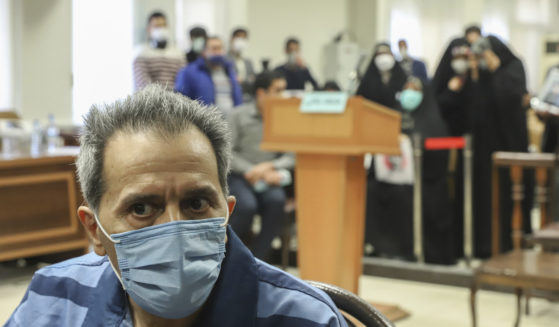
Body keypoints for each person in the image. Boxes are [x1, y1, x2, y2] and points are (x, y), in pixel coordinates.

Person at [4, 85, 347, 327]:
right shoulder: (52, 300)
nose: (174, 228)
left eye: (196, 203)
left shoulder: (305, 319)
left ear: (226, 212)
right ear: (94, 229)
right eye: (141, 208)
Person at [433, 35, 533, 258]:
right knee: (477, 197)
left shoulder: (513, 67)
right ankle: (476, 246)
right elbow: (468, 108)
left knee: (501, 200)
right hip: (476, 151)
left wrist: (495, 68)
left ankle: (501, 246)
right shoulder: (477, 74)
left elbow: (509, 103)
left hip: (504, 147)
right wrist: (474, 76)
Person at [364, 76, 454, 263]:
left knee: (413, 196)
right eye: (406, 89)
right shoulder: (395, 115)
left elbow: (439, 158)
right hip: (391, 178)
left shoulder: (433, 120)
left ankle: (413, 250)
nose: (409, 94)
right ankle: (380, 246)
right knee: (372, 191)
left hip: (425, 179)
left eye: (414, 89)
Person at [227, 71, 294, 262]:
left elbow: (291, 155)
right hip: (240, 176)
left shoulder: (284, 118)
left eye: (284, 90)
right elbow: (227, 152)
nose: (282, 95)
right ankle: (230, 257)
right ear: (261, 93)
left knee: (276, 202)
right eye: (277, 90)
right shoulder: (238, 115)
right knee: (246, 206)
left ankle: (256, 262)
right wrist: (251, 170)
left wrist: (268, 167)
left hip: (269, 176)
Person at [175, 36, 243, 114]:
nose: (218, 52)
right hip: (206, 122)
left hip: (231, 121)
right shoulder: (189, 72)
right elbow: (180, 99)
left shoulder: (230, 71)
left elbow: (238, 98)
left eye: (220, 48)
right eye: (214, 48)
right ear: (204, 51)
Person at [133, 11, 185, 91]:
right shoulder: (141, 53)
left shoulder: (178, 53)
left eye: (163, 26)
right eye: (157, 26)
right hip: (151, 101)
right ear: (149, 29)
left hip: (177, 100)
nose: (161, 29)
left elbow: (183, 80)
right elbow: (143, 84)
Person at [356, 42, 408, 109]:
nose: (384, 57)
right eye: (380, 54)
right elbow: (359, 99)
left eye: (386, 53)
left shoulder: (401, 76)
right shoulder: (368, 79)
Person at [227, 27, 256, 101]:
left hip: (247, 98)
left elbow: (253, 79)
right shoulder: (225, 59)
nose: (241, 41)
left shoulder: (248, 62)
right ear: (232, 39)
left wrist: (243, 80)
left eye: (244, 38)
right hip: (231, 98)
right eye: (238, 37)